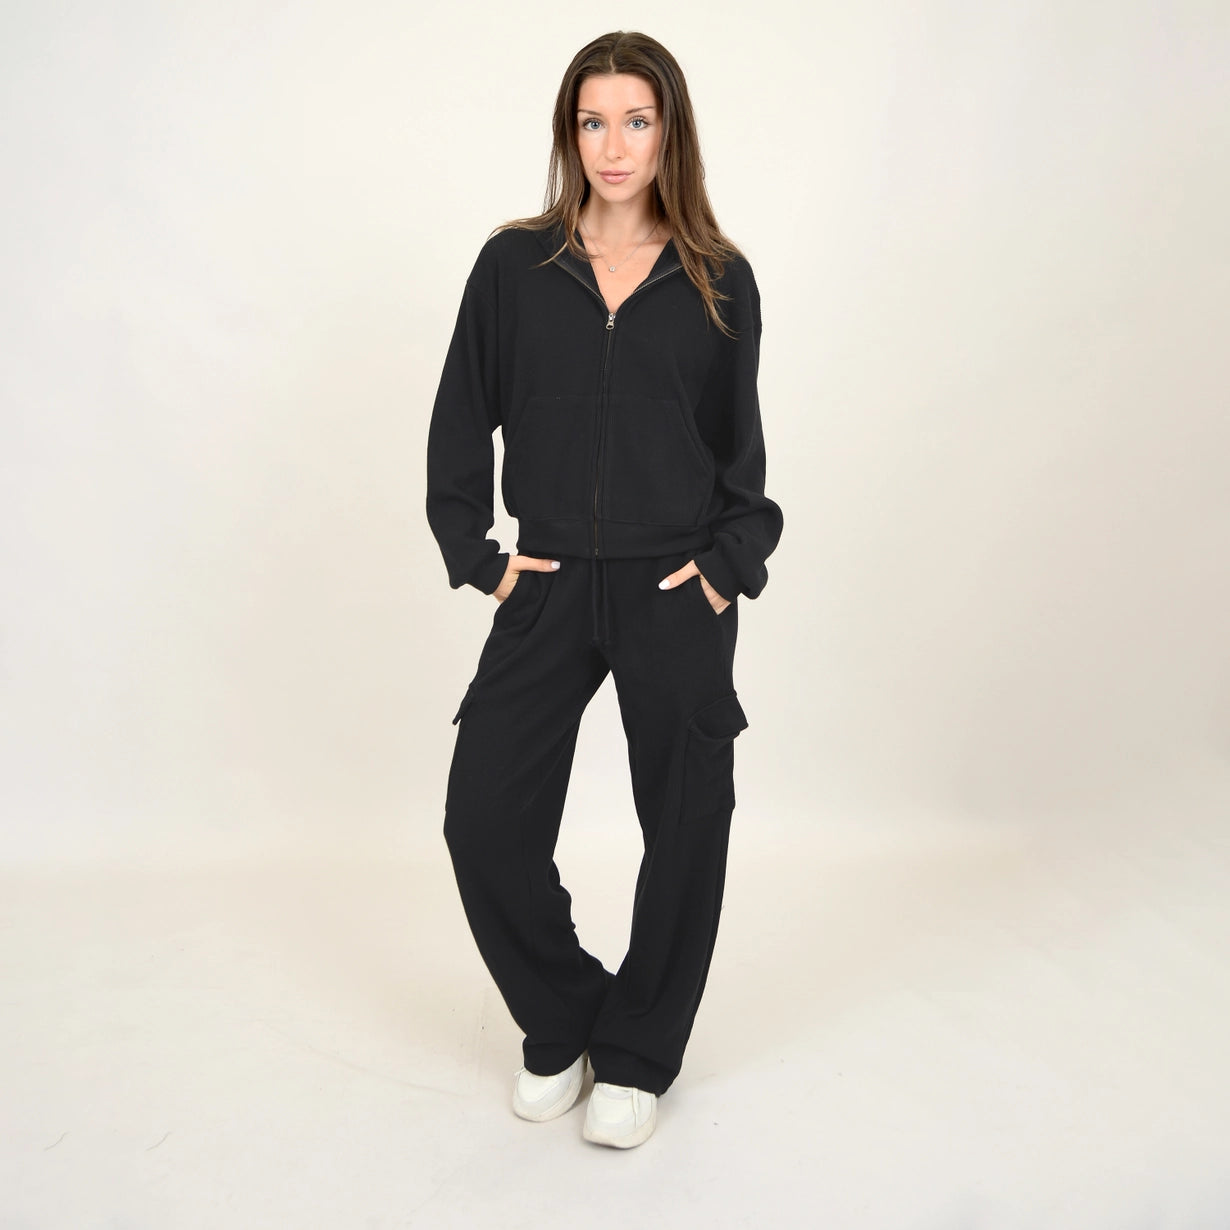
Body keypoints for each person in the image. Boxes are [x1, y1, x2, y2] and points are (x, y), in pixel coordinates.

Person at [426, 30, 783, 1149]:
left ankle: (638, 1053)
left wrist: (724, 569)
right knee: (483, 817)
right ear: (567, 133)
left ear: (669, 132)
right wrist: (478, 553)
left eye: (636, 120)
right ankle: (567, 1015)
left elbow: (741, 460)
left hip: (673, 584)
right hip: (546, 580)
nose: (613, 145)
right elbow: (458, 419)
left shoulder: (717, 279)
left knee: (685, 823)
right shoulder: (514, 267)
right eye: (593, 121)